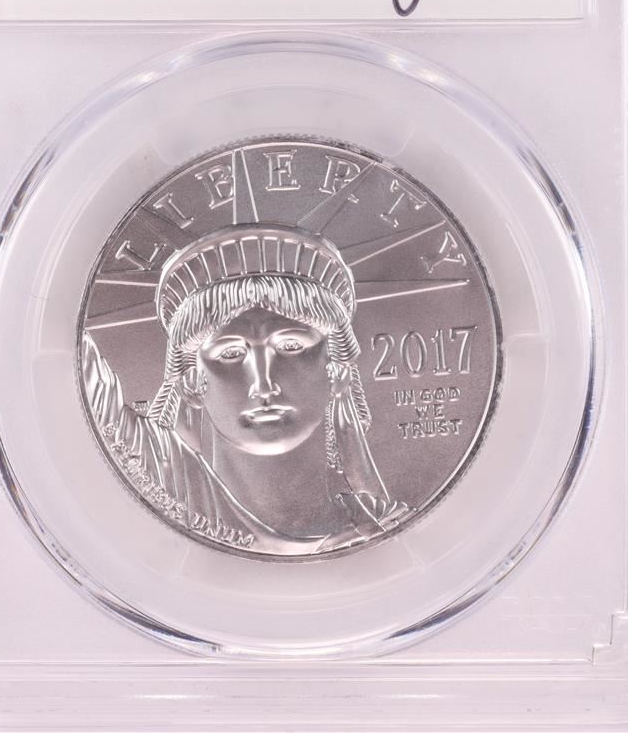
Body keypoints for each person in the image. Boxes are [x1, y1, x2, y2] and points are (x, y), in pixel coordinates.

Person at [82, 224, 408, 555]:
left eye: (290, 346)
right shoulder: (171, 488)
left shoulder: (380, 520)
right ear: (192, 382)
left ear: (335, 370)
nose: (263, 384)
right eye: (231, 353)